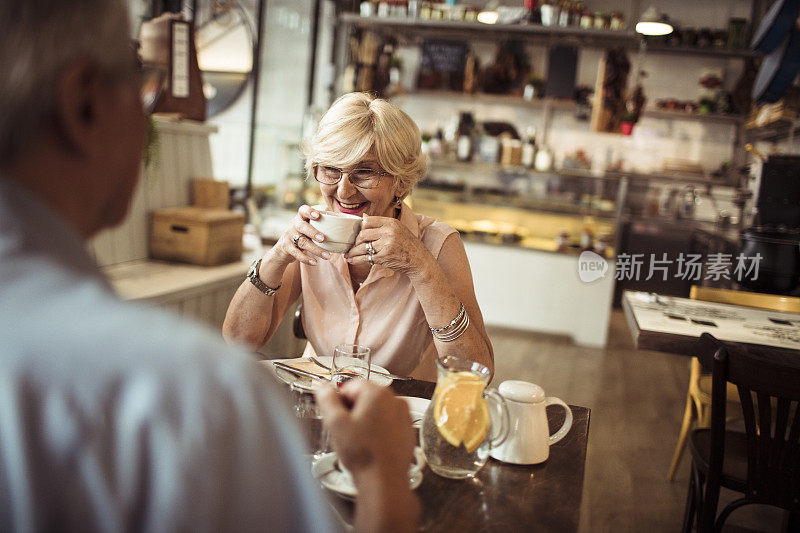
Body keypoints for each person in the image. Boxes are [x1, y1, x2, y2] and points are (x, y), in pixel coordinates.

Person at [0, 1, 419, 531]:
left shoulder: (431, 241)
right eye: (141, 81)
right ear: (83, 104)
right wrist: (381, 475)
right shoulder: (195, 395)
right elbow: (239, 338)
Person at [223, 93, 493, 380]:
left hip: (402, 411)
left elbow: (478, 374)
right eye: (331, 170)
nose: (343, 191)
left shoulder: (438, 244)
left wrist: (420, 266)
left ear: (401, 182)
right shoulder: (309, 230)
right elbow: (239, 341)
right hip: (317, 400)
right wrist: (277, 257)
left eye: (364, 172)